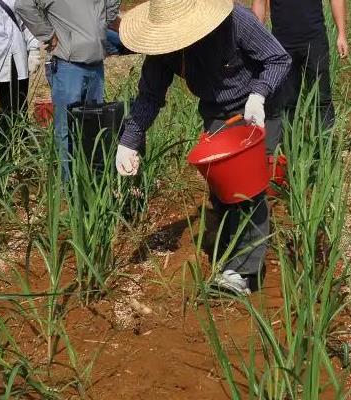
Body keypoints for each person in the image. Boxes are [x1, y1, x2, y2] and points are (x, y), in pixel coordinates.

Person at [116, 0, 291, 295]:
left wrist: (259, 95)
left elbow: (278, 59)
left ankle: (243, 273)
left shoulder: (237, 20)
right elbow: (150, 95)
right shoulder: (165, 45)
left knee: (246, 188)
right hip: (217, 111)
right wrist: (130, 140)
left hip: (259, 106)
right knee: (222, 185)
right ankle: (229, 250)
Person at [15, 0, 120, 178]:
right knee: (67, 127)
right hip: (68, 65)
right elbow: (24, 5)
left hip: (96, 65)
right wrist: (48, 35)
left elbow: (112, 6)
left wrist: (101, 27)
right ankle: (68, 184)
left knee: (94, 125)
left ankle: (90, 179)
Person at [252, 0, 348, 130]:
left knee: (321, 98)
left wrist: (341, 33)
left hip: (315, 40)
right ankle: (290, 146)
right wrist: (256, 42)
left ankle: (324, 147)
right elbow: (259, 3)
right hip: (282, 45)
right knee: (287, 102)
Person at [0, 0, 40, 142]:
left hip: (15, 56)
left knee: (15, 107)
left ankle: (14, 147)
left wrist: (34, 50)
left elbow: (28, 23)